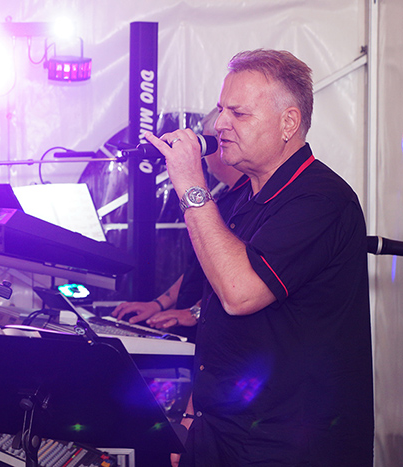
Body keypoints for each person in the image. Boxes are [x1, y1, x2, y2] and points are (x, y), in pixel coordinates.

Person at [147, 49, 373, 466]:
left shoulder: (322, 199)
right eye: (220, 111)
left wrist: (190, 184)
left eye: (239, 113)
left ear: (288, 122)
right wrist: (194, 417)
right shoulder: (240, 198)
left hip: (285, 444)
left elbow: (239, 291)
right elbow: (219, 319)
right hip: (221, 431)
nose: (220, 125)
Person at [112, 108, 247, 340]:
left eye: (206, 144)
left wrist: (195, 313)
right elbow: (201, 266)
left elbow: (239, 275)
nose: (203, 155)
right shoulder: (226, 196)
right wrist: (159, 304)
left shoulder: (249, 198)